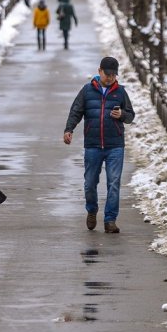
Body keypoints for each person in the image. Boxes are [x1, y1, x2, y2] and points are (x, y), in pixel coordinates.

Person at [62, 56, 136, 233]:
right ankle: (92, 210)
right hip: (93, 145)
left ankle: (110, 220)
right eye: (107, 74)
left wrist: (122, 116)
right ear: (99, 71)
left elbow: (131, 115)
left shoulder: (120, 92)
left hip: (115, 145)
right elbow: (76, 111)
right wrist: (69, 129)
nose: (110, 78)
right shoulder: (87, 91)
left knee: (114, 183)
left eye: (113, 75)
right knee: (90, 183)